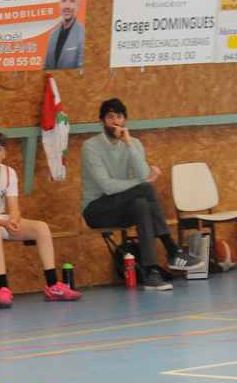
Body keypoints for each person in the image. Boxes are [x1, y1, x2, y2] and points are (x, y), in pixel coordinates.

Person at [81, 98, 203, 291]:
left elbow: (143, 174)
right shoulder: (90, 146)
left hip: (123, 207)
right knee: (144, 189)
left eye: (119, 116)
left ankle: (150, 272)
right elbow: (107, 186)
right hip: (97, 210)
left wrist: (129, 144)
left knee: (141, 205)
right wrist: (141, 183)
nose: (115, 121)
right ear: (102, 121)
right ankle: (172, 249)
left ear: (125, 120)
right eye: (110, 117)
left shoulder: (134, 143)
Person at [0, 131, 81, 308]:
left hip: (0, 219)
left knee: (41, 227)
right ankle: (3, 289)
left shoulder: (9, 172)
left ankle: (52, 286)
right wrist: (5, 223)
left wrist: (14, 220)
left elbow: (14, 208)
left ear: (4, 153)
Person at [43, 0, 85, 71]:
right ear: (60, 4)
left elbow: (81, 72)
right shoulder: (52, 35)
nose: (67, 6)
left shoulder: (83, 34)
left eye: (72, 1)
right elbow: (46, 69)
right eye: (64, 0)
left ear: (77, 5)